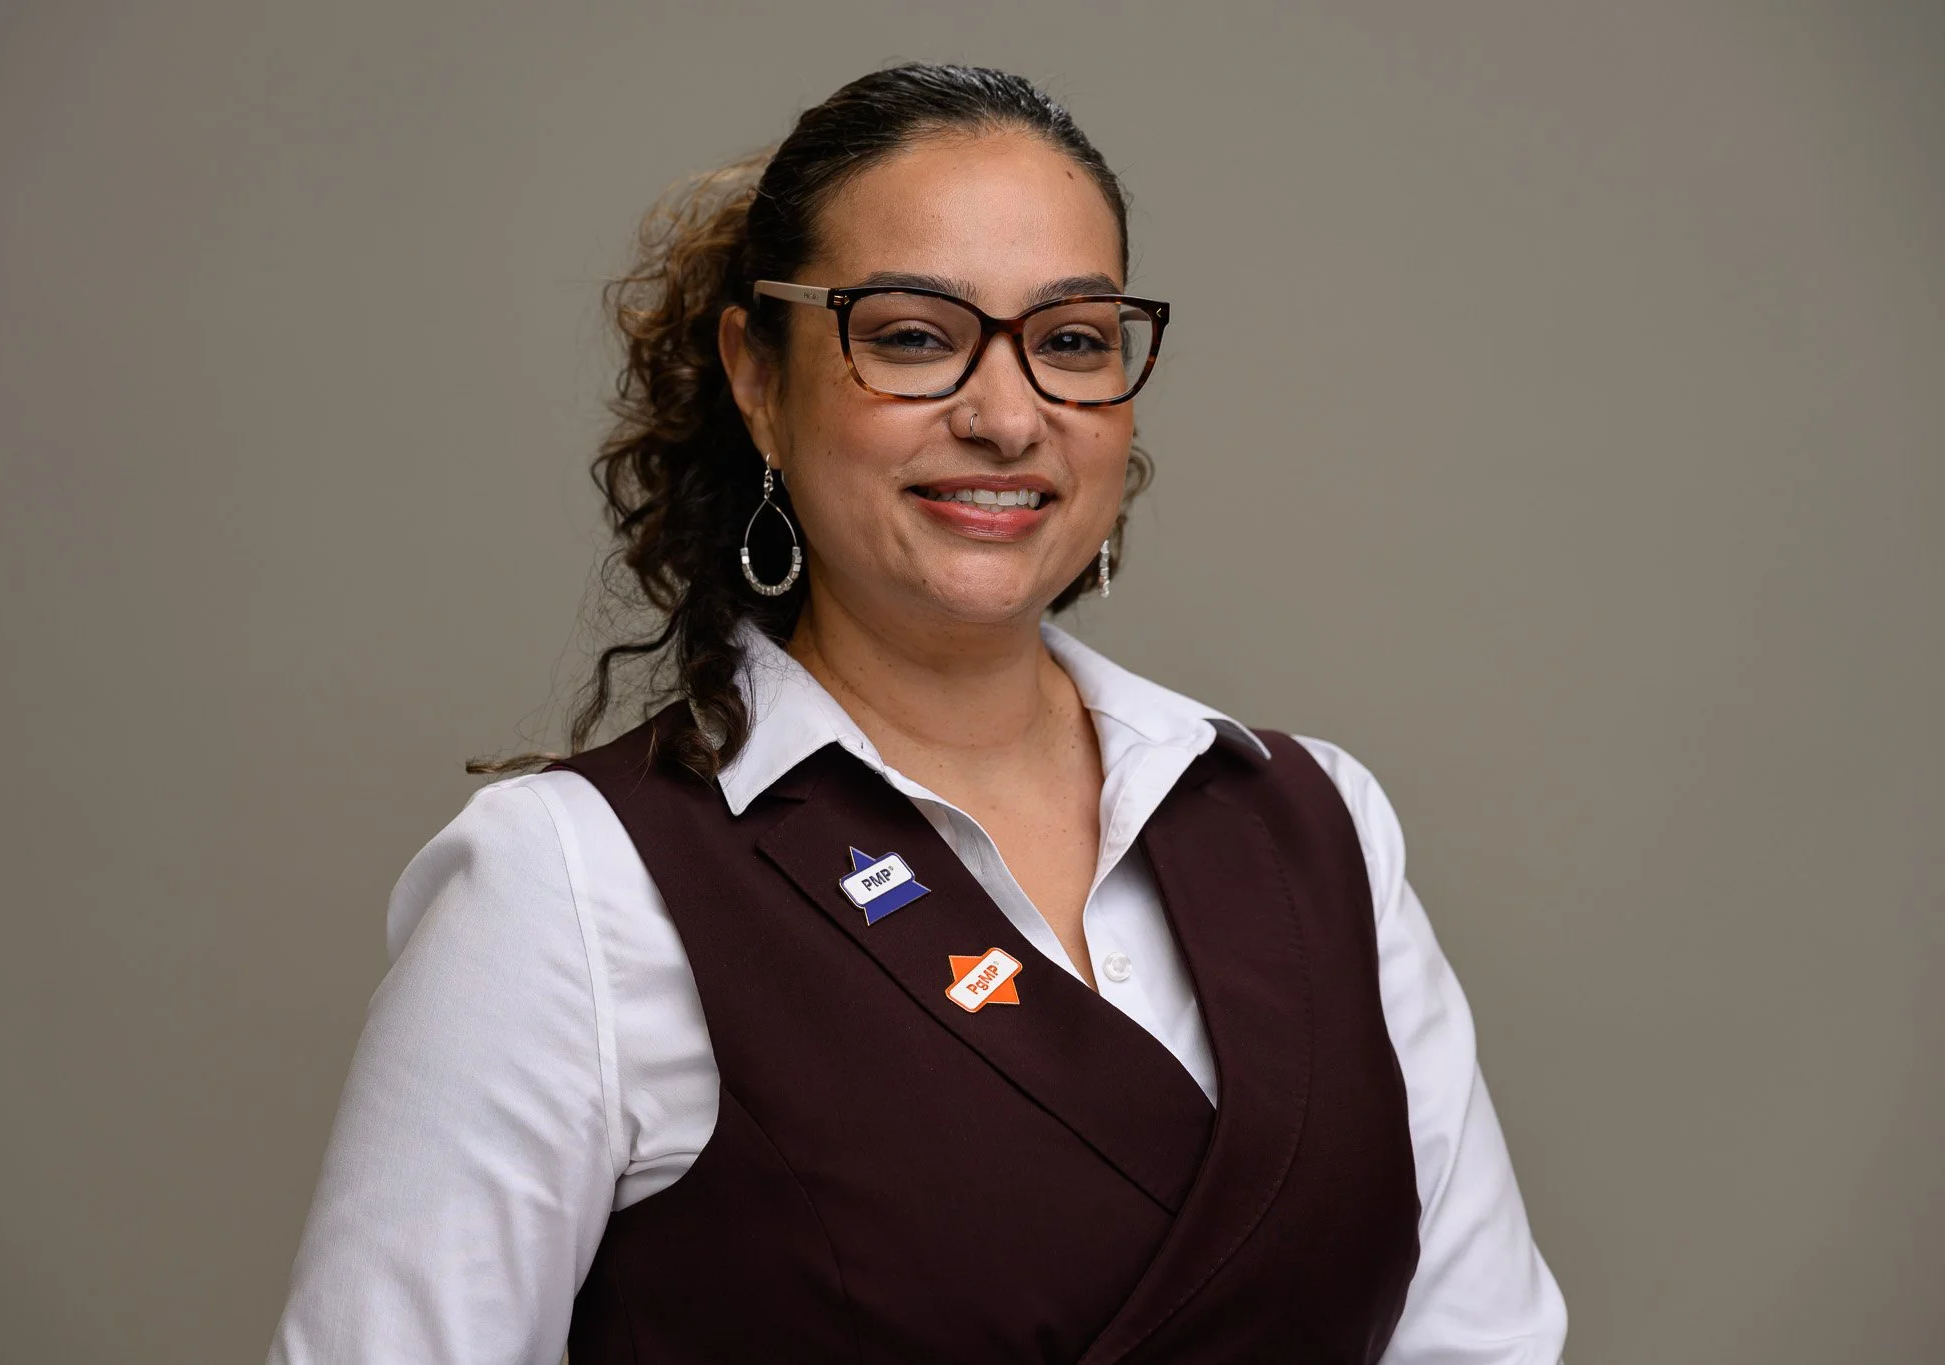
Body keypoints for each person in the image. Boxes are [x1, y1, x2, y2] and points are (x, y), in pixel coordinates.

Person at [266, 63, 1567, 1364]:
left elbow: (1481, 1343)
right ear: (757, 378)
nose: (1007, 417)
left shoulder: (1317, 829)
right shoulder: (571, 882)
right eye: (912, 337)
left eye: (1072, 342)